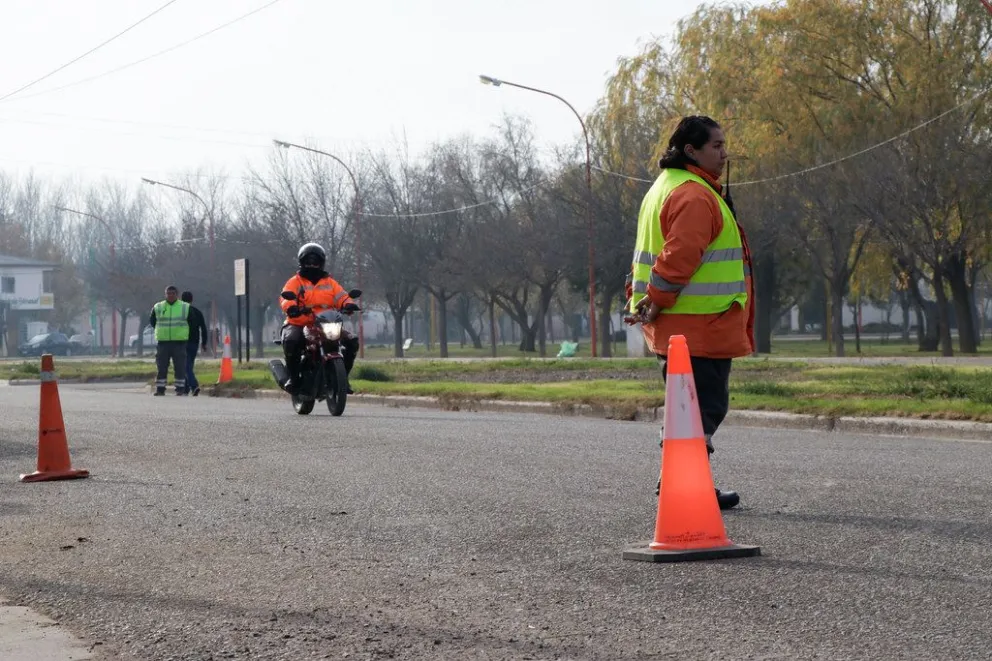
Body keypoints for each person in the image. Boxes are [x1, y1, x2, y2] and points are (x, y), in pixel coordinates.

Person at [625, 115, 755, 510]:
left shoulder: (663, 189)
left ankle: (682, 482)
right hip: (700, 324)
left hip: (681, 325)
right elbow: (679, 256)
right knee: (705, 408)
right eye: (715, 145)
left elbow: (651, 254)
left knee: (688, 408)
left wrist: (647, 300)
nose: (724, 152)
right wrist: (657, 298)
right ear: (691, 151)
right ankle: (686, 485)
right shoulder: (694, 195)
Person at [279, 243, 360, 394]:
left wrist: (349, 304)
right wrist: (291, 307)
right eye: (308, 261)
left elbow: (342, 296)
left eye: (315, 261)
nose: (312, 265)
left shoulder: (330, 282)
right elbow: (285, 296)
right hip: (299, 322)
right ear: (302, 262)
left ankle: (343, 379)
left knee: (352, 341)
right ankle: (294, 378)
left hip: (326, 324)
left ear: (321, 263)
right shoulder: (295, 281)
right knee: (291, 341)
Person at [149, 285, 191, 396]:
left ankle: (180, 389)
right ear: (165, 294)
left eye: (173, 293)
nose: (170, 295)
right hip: (163, 342)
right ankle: (160, 389)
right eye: (168, 293)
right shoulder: (158, 307)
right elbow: (153, 321)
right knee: (161, 367)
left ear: (177, 294)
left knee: (180, 367)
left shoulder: (184, 307)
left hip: (179, 342)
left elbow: (191, 322)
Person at [180, 291, 209, 396]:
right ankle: (185, 388)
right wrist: (204, 343)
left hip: (182, 342)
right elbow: (203, 328)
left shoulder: (180, 312)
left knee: (185, 366)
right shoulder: (197, 312)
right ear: (192, 299)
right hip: (194, 342)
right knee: (189, 365)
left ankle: (194, 385)